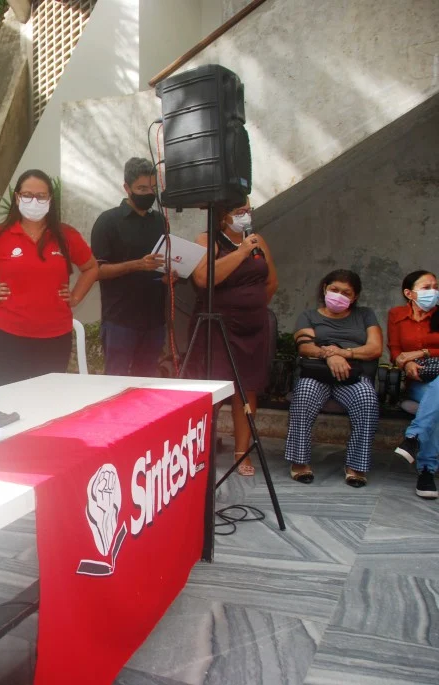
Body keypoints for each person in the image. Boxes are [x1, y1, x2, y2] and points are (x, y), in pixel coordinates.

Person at [0, 169, 98, 386]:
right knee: (11, 398)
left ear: (50, 199)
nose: (34, 201)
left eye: (41, 196)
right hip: (9, 335)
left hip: (55, 336)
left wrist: (76, 297)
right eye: (27, 195)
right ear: (17, 198)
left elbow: (91, 267)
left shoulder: (66, 235)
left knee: (49, 397)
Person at [189, 199, 278, 476]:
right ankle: (202, 449)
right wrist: (241, 252)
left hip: (253, 327)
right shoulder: (208, 240)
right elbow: (202, 278)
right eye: (240, 211)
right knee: (214, 387)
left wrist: (251, 306)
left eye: (248, 210)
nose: (246, 215)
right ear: (223, 214)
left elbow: (271, 282)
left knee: (247, 387)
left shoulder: (257, 240)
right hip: (218, 327)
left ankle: (242, 452)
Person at [285, 270, 382, 487]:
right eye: (334, 290)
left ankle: (356, 465)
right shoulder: (309, 316)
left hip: (352, 375)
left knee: (367, 399)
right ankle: (299, 461)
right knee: (304, 394)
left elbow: (375, 348)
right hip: (317, 373)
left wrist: (343, 353)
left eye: (346, 293)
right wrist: (329, 356)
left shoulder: (365, 315)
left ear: (355, 297)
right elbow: (305, 346)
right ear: (324, 289)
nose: (339, 296)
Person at [90, 157, 170, 377]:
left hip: (155, 320)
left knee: (147, 381)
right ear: (127, 187)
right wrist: (137, 265)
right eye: (142, 188)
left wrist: (171, 275)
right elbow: (96, 271)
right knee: (116, 382)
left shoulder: (160, 221)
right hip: (120, 320)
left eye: (153, 188)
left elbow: (163, 261)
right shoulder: (108, 221)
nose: (149, 193)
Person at [388, 270, 439, 499]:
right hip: (418, 380)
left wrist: (423, 352)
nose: (433, 292)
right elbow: (395, 349)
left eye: (435, 287)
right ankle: (426, 469)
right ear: (409, 293)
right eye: (426, 287)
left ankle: (415, 441)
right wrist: (406, 363)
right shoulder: (396, 315)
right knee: (435, 403)